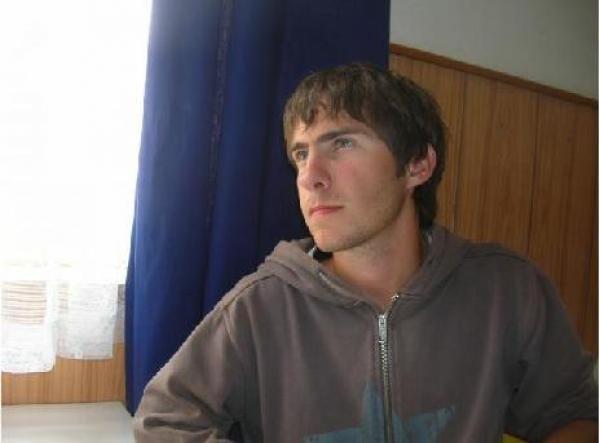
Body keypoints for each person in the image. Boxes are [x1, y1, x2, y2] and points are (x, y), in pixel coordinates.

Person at [133, 63, 597, 442]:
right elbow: (164, 422)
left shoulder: (508, 289)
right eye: (300, 154)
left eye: (342, 143)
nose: (309, 176)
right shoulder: (259, 307)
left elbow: (576, 414)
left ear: (417, 165)